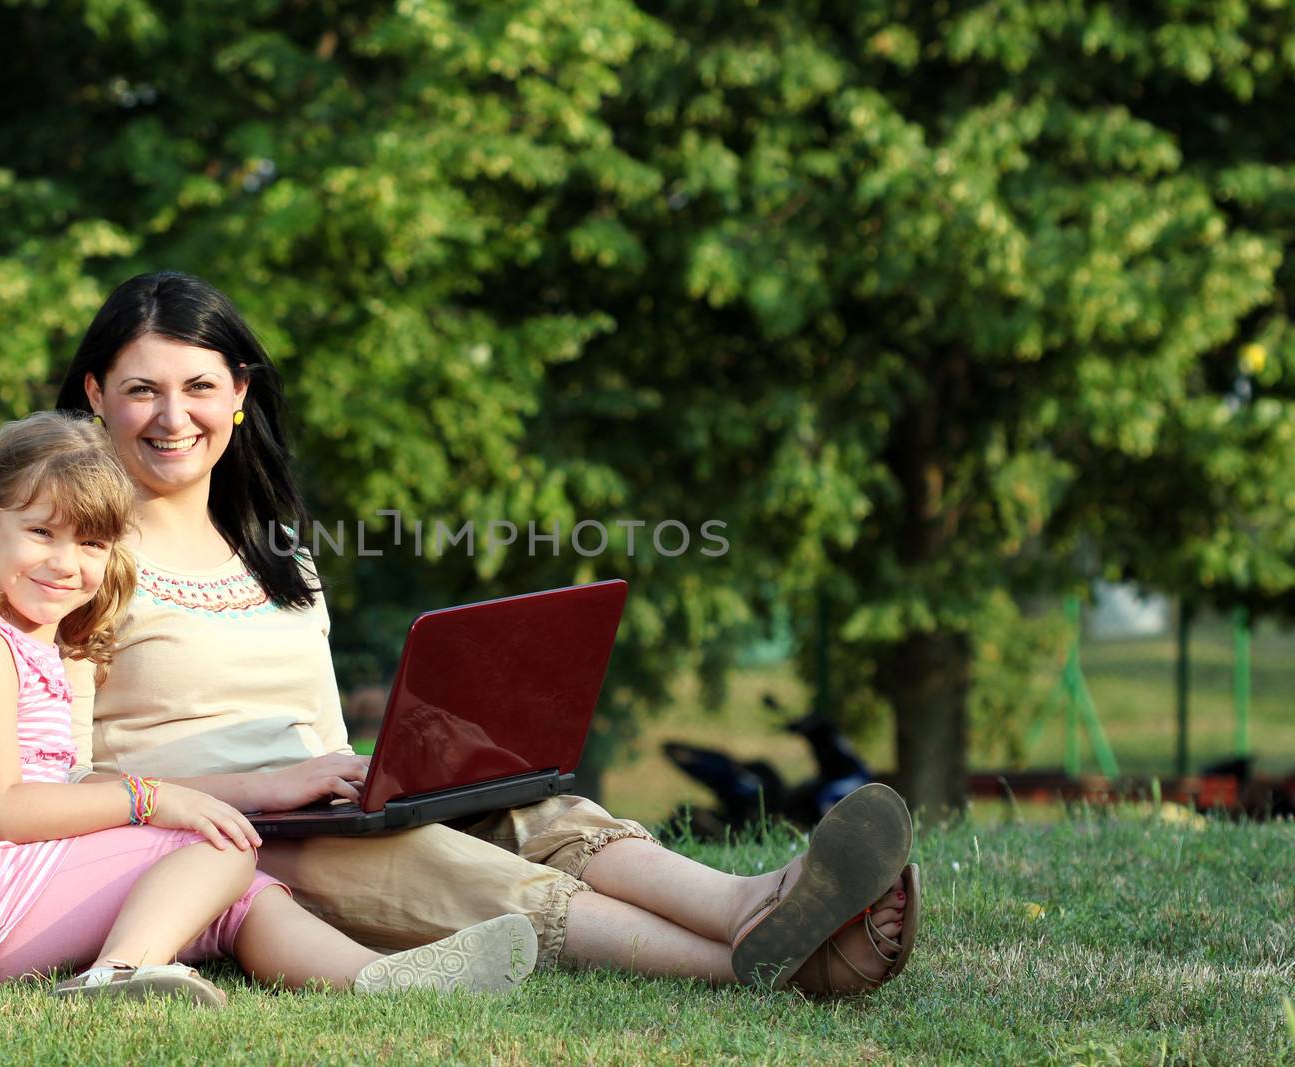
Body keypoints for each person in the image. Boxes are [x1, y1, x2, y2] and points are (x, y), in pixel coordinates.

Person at [54, 272, 921, 995]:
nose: (175, 416)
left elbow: (317, 733)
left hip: (325, 807)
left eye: (199, 385)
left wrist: (392, 771)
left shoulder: (277, 554)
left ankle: (750, 900)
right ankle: (770, 966)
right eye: (143, 389)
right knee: (457, 868)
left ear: (238, 393)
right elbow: (60, 779)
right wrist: (273, 787)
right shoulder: (73, 562)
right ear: (97, 395)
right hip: (217, 837)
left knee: (532, 805)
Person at [0, 411, 538, 1001]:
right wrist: (153, 800)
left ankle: (381, 979)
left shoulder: (38, 646)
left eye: (90, 542)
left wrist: (265, 787)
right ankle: (119, 973)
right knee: (213, 847)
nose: (66, 562)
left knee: (233, 883)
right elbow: (2, 811)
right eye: (42, 533)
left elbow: (68, 793)